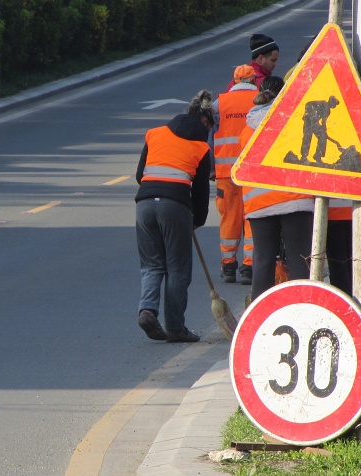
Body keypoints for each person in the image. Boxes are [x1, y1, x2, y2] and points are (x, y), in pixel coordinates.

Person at [135, 90, 215, 343]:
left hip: (145, 203)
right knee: (178, 269)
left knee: (152, 265)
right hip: (175, 206)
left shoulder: (154, 133)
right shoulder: (201, 148)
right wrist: (197, 220)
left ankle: (147, 310)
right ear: (204, 122)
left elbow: (140, 174)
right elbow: (201, 193)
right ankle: (176, 328)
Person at [237, 76, 314, 300]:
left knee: (262, 261)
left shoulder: (246, 131)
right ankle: (302, 309)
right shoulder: (293, 122)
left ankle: (260, 316)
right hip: (294, 199)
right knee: (300, 259)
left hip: (259, 203)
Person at [211, 65, 258, 285]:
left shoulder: (219, 104)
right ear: (254, 79)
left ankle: (228, 266)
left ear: (235, 80)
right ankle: (249, 267)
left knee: (228, 219)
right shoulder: (261, 101)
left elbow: (209, 138)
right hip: (253, 173)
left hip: (225, 174)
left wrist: (211, 168)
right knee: (252, 219)